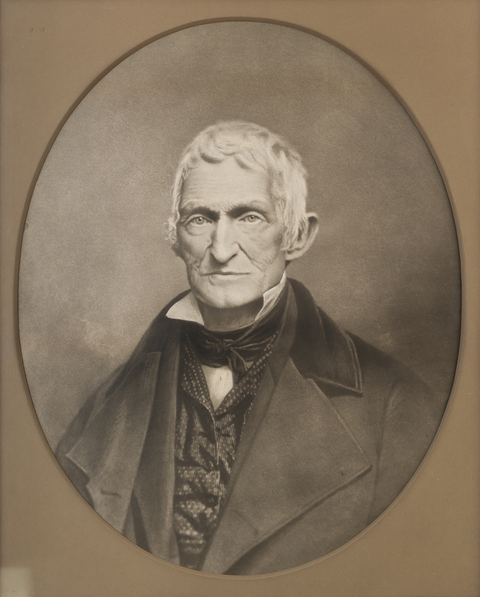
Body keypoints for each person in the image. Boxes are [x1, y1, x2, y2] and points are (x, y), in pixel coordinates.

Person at [56, 121, 444, 575]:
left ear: (297, 235)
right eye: (200, 219)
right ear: (174, 237)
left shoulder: (396, 407)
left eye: (249, 217)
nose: (221, 249)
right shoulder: (106, 408)